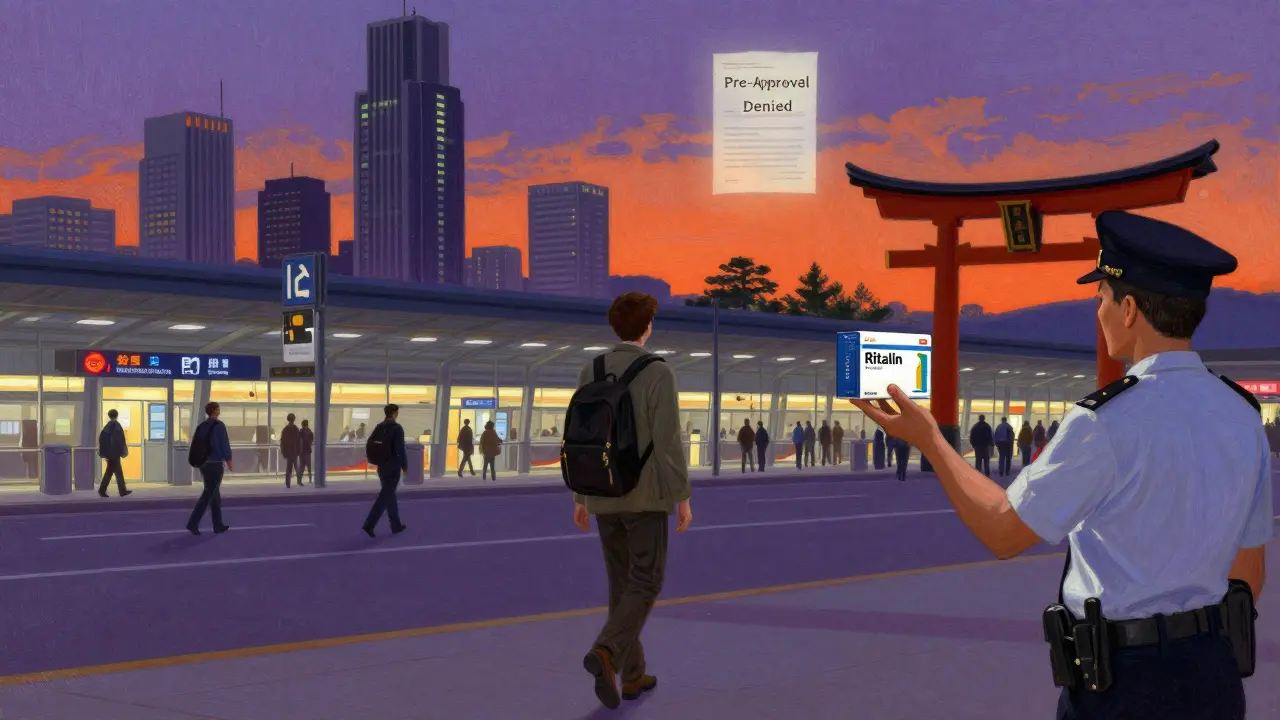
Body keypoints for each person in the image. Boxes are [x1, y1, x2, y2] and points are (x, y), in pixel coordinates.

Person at [852, 211, 1268, 719]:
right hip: (1214, 673)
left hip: (1125, 682)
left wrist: (931, 440)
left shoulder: (1105, 421)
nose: (1100, 312)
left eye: (1102, 299)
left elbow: (1003, 533)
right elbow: (1249, 572)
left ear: (1130, 309)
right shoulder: (1242, 413)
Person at [574, 292, 692, 710]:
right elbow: (667, 442)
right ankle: (607, 651)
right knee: (646, 580)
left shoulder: (593, 368)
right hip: (645, 498)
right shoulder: (658, 372)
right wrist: (681, 495)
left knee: (622, 585)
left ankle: (633, 676)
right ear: (648, 327)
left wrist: (582, 495)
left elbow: (584, 436)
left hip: (603, 494)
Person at [187, 402, 232, 535]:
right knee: (208, 493)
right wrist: (228, 459)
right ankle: (193, 522)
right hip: (216, 463)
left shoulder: (202, 426)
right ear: (215, 411)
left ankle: (217, 524)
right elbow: (224, 444)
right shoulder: (219, 426)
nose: (219, 411)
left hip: (204, 464)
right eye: (218, 409)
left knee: (214, 493)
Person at [363, 404, 408, 537]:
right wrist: (404, 466)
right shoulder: (397, 428)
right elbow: (400, 450)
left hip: (381, 466)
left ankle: (396, 525)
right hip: (393, 466)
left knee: (390, 495)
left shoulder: (379, 427)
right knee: (385, 496)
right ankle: (369, 523)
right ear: (394, 413)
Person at [96, 409, 131, 498]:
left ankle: (122, 491)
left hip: (110, 453)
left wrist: (105, 452)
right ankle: (102, 490)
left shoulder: (107, 426)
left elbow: (102, 439)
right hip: (114, 453)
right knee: (109, 472)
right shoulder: (116, 426)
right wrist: (122, 451)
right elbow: (120, 439)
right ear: (117, 415)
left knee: (118, 472)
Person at [279, 413, 301, 488]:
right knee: (296, 467)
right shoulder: (296, 429)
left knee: (289, 468)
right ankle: (299, 481)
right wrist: (299, 451)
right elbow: (299, 441)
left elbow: (282, 442)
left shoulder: (285, 430)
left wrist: (284, 452)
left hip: (289, 452)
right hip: (294, 451)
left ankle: (288, 483)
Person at [298, 419, 314, 484]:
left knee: (302, 466)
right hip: (307, 451)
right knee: (308, 466)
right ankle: (310, 480)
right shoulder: (310, 432)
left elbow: (298, 441)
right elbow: (311, 440)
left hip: (302, 452)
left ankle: (299, 480)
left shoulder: (300, 432)